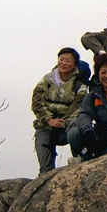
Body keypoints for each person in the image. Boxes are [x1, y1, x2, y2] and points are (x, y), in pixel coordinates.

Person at [31, 47, 89, 175]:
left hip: (67, 124)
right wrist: (49, 119)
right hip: (47, 123)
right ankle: (46, 173)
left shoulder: (80, 84)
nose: (63, 63)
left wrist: (64, 121)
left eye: (68, 60)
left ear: (75, 65)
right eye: (61, 59)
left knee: (77, 125)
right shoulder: (47, 80)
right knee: (45, 166)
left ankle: (80, 160)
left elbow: (78, 106)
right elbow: (37, 102)